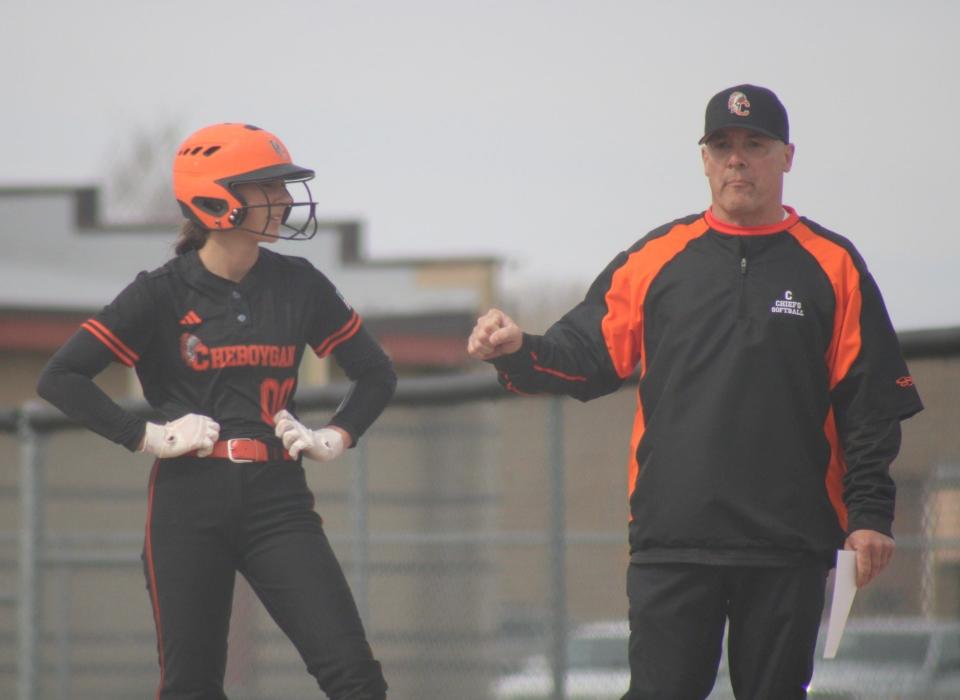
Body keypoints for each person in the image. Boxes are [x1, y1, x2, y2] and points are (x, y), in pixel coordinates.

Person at [467, 84, 923, 699]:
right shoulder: (657, 258)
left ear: (786, 156)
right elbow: (585, 357)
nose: (737, 158)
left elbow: (869, 405)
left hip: (788, 540)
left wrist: (869, 517)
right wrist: (518, 350)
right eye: (723, 146)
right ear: (704, 159)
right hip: (673, 538)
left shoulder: (834, 264)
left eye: (754, 144)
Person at [37, 122, 395, 699]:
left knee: (355, 677)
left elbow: (376, 373)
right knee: (191, 688)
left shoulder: (299, 284)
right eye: (268, 187)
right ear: (215, 199)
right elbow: (60, 378)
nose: (283, 201)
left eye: (283, 187)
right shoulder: (160, 292)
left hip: (278, 499)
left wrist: (338, 434)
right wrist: (145, 436)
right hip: (187, 502)